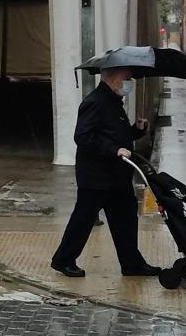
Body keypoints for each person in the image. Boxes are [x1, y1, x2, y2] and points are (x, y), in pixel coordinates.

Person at [51, 66, 161, 279]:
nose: (129, 82)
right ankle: (63, 260)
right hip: (96, 177)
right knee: (83, 219)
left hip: (116, 176)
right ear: (113, 77)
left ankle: (132, 264)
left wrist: (136, 130)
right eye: (126, 77)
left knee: (126, 219)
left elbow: (114, 134)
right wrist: (114, 150)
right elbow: (82, 136)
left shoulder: (113, 101)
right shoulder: (96, 102)